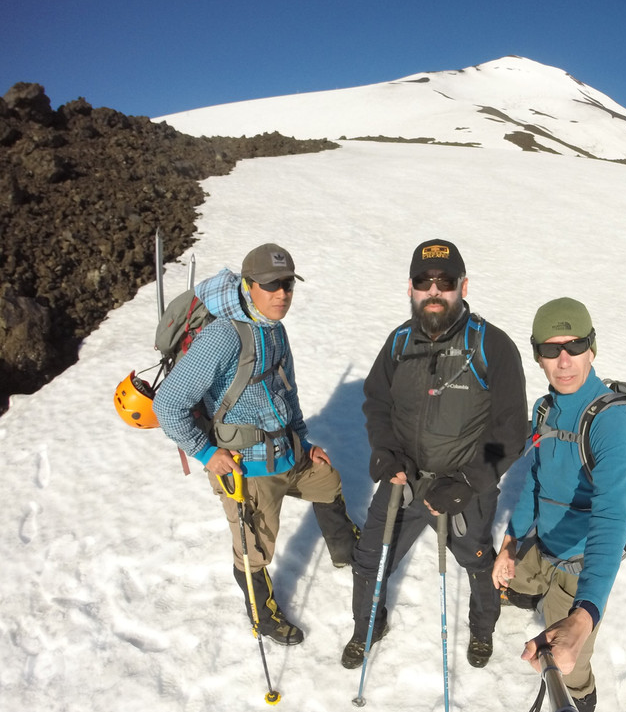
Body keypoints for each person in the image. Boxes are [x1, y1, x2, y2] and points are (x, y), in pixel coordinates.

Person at [153, 243, 358, 645]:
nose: (282, 294)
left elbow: (287, 391)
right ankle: (263, 616)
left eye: (287, 284)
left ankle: (344, 548)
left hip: (287, 450)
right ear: (248, 286)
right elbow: (168, 404)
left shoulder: (274, 329)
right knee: (254, 550)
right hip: (245, 466)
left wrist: (303, 441)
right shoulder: (223, 337)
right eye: (271, 285)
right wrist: (207, 453)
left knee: (327, 480)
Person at [342, 239, 528, 670]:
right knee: (369, 559)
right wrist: (385, 451)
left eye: (445, 282)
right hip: (404, 480)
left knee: (477, 561)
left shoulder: (491, 345)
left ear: (463, 286)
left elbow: (510, 431)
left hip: (465, 487)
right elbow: (377, 402)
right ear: (410, 287)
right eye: (424, 281)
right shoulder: (399, 342)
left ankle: (482, 629)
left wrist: (468, 481)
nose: (434, 290)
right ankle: (367, 626)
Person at [492, 298, 626, 712]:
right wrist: (511, 542)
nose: (564, 360)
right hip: (544, 545)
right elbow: (536, 481)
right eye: (551, 349)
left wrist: (585, 614)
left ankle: (581, 711)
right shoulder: (545, 409)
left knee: (568, 658)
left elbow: (612, 517)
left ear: (592, 347)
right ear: (537, 355)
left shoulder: (612, 421)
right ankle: (532, 589)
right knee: (504, 579)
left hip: (580, 565)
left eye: (574, 345)